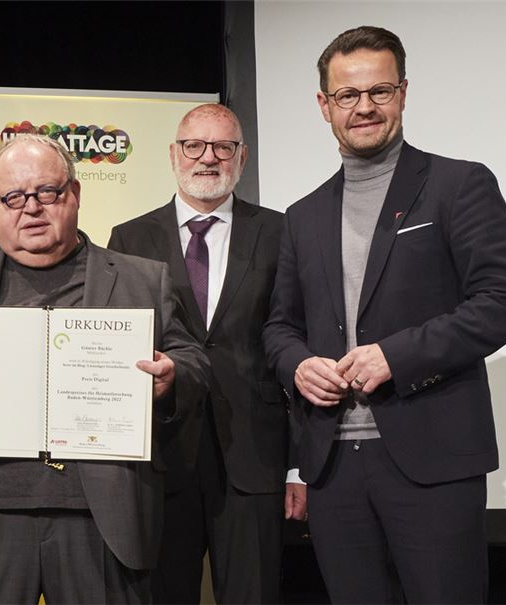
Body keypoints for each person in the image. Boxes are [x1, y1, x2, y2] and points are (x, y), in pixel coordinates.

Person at [0, 133, 210, 604]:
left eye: (47, 192)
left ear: (74, 195)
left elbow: (194, 360)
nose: (31, 207)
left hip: (100, 512)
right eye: (13, 197)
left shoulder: (142, 278)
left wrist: (171, 375)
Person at [263, 25, 506, 603]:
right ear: (324, 106)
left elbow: (505, 299)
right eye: (348, 96)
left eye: (379, 91)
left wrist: (396, 357)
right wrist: (298, 364)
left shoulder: (460, 185)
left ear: (402, 93)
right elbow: (280, 327)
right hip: (333, 467)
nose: (364, 108)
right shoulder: (301, 217)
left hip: (432, 460)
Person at [108, 103, 302, 604]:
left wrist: (298, 465)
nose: (208, 158)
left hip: (255, 458)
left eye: (223, 147)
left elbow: (298, 345)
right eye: (195, 145)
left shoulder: (282, 233)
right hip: (163, 458)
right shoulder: (129, 240)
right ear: (174, 154)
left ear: (242, 157)